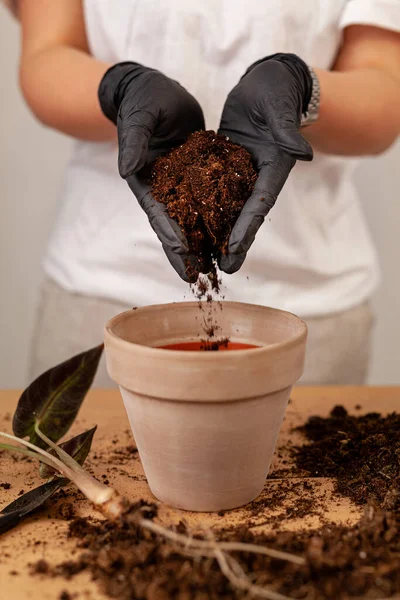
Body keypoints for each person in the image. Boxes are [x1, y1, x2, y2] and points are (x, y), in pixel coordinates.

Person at [4, 0, 400, 386]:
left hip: (307, 304)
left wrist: (301, 87)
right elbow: (48, 53)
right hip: (102, 291)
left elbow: (384, 88)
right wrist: (121, 88)